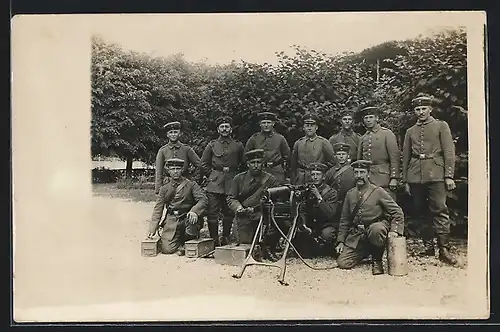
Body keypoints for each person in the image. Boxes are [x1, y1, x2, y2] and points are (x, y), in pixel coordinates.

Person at [402, 94, 457, 265]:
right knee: (420, 212)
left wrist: (448, 175)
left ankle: (444, 249)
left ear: (430, 109)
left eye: (423, 109)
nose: (420, 112)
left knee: (439, 210)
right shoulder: (410, 131)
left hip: (436, 174)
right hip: (415, 175)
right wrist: (405, 180)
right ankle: (428, 246)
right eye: (417, 109)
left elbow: (449, 151)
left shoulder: (441, 126)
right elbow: (406, 156)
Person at [336, 160, 405, 275]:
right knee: (343, 263)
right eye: (356, 173)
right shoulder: (350, 194)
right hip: (358, 233)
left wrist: (394, 230)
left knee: (376, 229)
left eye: (362, 172)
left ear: (368, 174)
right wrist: (341, 241)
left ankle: (377, 260)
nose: (359, 176)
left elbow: (397, 212)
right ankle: (367, 250)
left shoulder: (378, 192)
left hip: (375, 227)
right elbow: (345, 220)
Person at [226, 149, 280, 259]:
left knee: (275, 224)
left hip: (263, 217)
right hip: (244, 216)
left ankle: (269, 248)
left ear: (262, 163)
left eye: (258, 162)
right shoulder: (238, 179)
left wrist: (260, 209)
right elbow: (231, 198)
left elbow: (276, 202)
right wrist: (238, 207)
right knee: (244, 247)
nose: (256, 165)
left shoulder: (271, 180)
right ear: (247, 164)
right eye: (252, 162)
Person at [147, 158, 207, 256]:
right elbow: (158, 208)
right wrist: (153, 228)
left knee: (191, 226)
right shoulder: (164, 189)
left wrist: (194, 211)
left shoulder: (191, 185)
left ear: (182, 170)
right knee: (167, 249)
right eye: (173, 169)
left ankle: (185, 241)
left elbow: (203, 199)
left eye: (178, 169)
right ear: (168, 170)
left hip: (187, 217)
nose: (175, 171)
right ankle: (178, 241)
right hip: (172, 219)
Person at [200, 116, 245, 247]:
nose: (224, 129)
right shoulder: (212, 145)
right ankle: (214, 239)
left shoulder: (238, 145)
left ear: (231, 129)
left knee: (229, 212)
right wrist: (213, 175)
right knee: (212, 212)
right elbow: (203, 163)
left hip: (232, 181)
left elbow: (243, 163)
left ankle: (226, 236)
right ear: (218, 130)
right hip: (215, 184)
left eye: (227, 127)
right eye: (222, 127)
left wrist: (237, 177)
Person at [293, 162, 339, 258]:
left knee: (327, 235)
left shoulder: (331, 193)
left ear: (323, 177)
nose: (315, 177)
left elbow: (330, 213)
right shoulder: (307, 190)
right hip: (312, 225)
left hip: (326, 225)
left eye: (318, 174)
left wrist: (319, 197)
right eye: (313, 174)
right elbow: (302, 210)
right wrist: (304, 224)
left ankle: (325, 249)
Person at [357, 105, 401, 200]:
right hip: (368, 177)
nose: (368, 120)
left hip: (384, 177)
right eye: (366, 118)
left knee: (388, 203)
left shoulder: (387, 134)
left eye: (371, 117)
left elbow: (394, 158)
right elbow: (359, 160)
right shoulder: (363, 138)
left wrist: (394, 178)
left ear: (377, 118)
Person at [154, 121, 201, 195]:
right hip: (168, 184)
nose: (173, 135)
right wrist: (158, 189)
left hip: (185, 184)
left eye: (175, 132)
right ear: (167, 135)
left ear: (180, 133)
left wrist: (194, 180)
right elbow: (159, 172)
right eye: (171, 132)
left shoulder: (186, 149)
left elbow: (199, 165)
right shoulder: (162, 151)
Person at [290, 113, 337, 185]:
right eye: (307, 126)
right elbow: (293, 165)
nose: (309, 128)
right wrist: (293, 180)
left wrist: (322, 172)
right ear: (303, 127)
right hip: (301, 178)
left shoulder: (323, 142)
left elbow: (333, 162)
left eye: (312, 126)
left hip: (317, 177)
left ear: (316, 127)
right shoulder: (298, 143)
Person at [244, 112, 291, 184]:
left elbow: (287, 155)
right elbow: (246, 156)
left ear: (273, 123)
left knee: (277, 191)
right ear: (260, 124)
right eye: (263, 123)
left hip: (276, 172)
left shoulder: (280, 138)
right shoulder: (254, 138)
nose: (266, 125)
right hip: (259, 171)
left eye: (268, 122)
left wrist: (281, 166)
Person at [325, 142, 356, 222]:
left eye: (343, 154)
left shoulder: (353, 171)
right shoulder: (330, 172)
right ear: (335, 156)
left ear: (348, 155)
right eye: (339, 154)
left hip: (349, 203)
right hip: (334, 205)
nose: (341, 157)